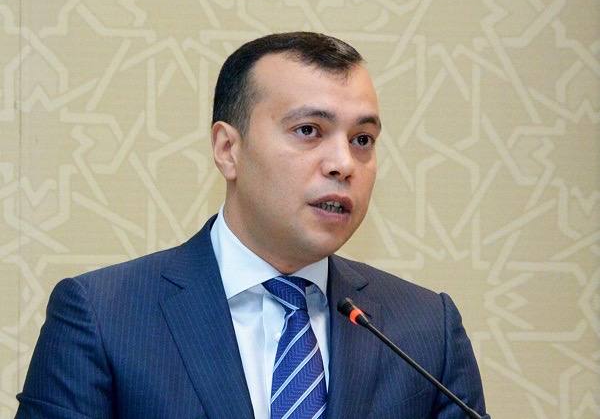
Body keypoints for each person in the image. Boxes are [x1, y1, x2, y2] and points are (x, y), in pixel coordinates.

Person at [15, 32, 487, 419]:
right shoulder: (103, 317)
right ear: (228, 150)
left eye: (362, 139)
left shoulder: (425, 330)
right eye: (309, 131)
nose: (344, 163)